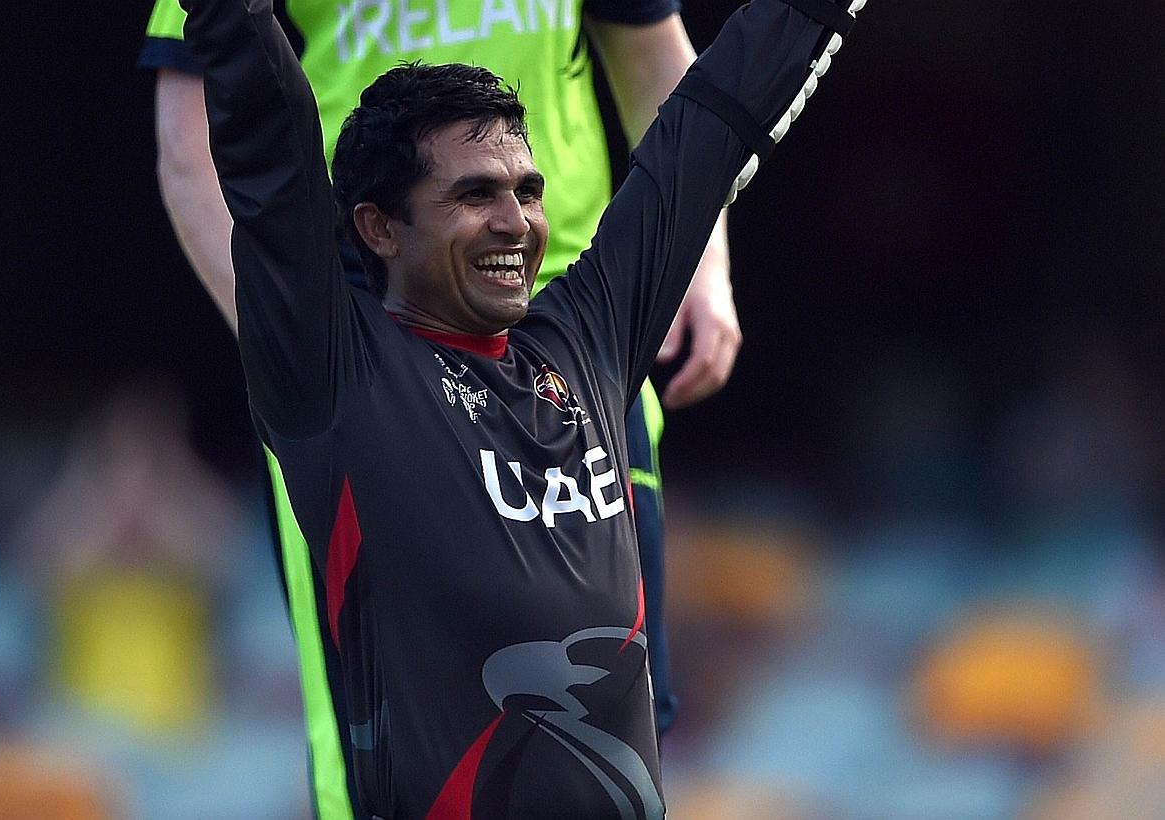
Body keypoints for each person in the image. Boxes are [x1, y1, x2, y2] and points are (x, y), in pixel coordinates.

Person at [182, 0, 862, 812]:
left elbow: (710, 124)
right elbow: (269, 154)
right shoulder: (336, 381)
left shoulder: (591, 335)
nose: (516, 222)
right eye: (474, 196)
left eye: (527, 190)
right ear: (378, 228)